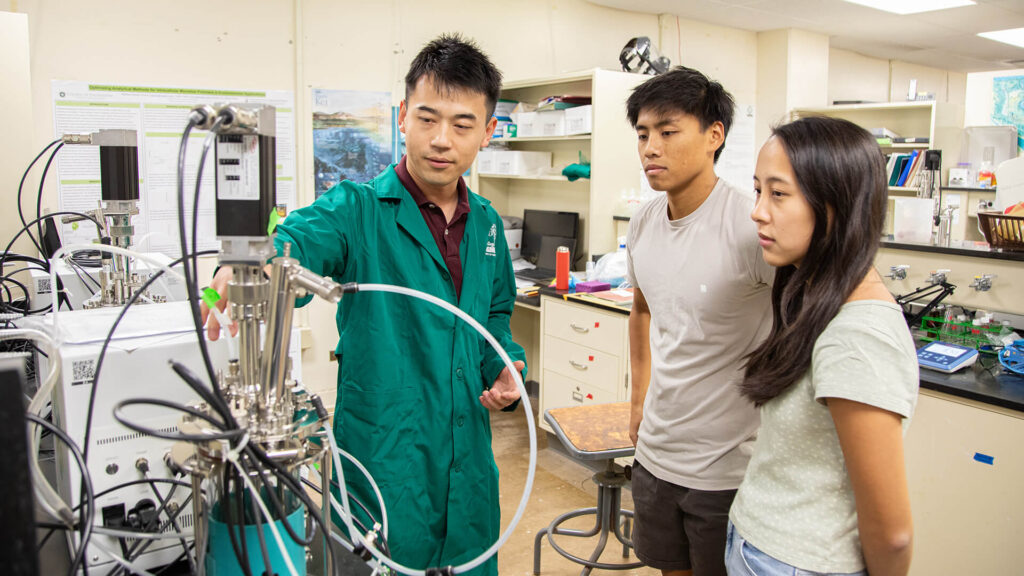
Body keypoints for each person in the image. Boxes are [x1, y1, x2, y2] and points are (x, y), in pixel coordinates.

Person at [201, 34, 526, 576]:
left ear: (488, 132)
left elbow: (495, 318)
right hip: (382, 460)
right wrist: (238, 269)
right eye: (427, 118)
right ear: (402, 117)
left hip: (467, 464)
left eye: (462, 124)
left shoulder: (489, 225)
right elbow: (295, 241)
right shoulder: (357, 209)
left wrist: (507, 369)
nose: (441, 139)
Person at [726, 116, 918, 576]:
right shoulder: (816, 301)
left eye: (777, 194)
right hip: (763, 544)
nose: (757, 210)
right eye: (757, 190)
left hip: (796, 562)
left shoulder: (859, 338)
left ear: (833, 206)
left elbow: (893, 534)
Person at [624, 66, 773, 576]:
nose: (650, 148)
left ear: (715, 136)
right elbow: (642, 309)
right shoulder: (644, 222)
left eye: (668, 132)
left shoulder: (750, 226)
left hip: (728, 468)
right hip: (656, 454)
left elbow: (804, 324)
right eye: (643, 134)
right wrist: (638, 398)